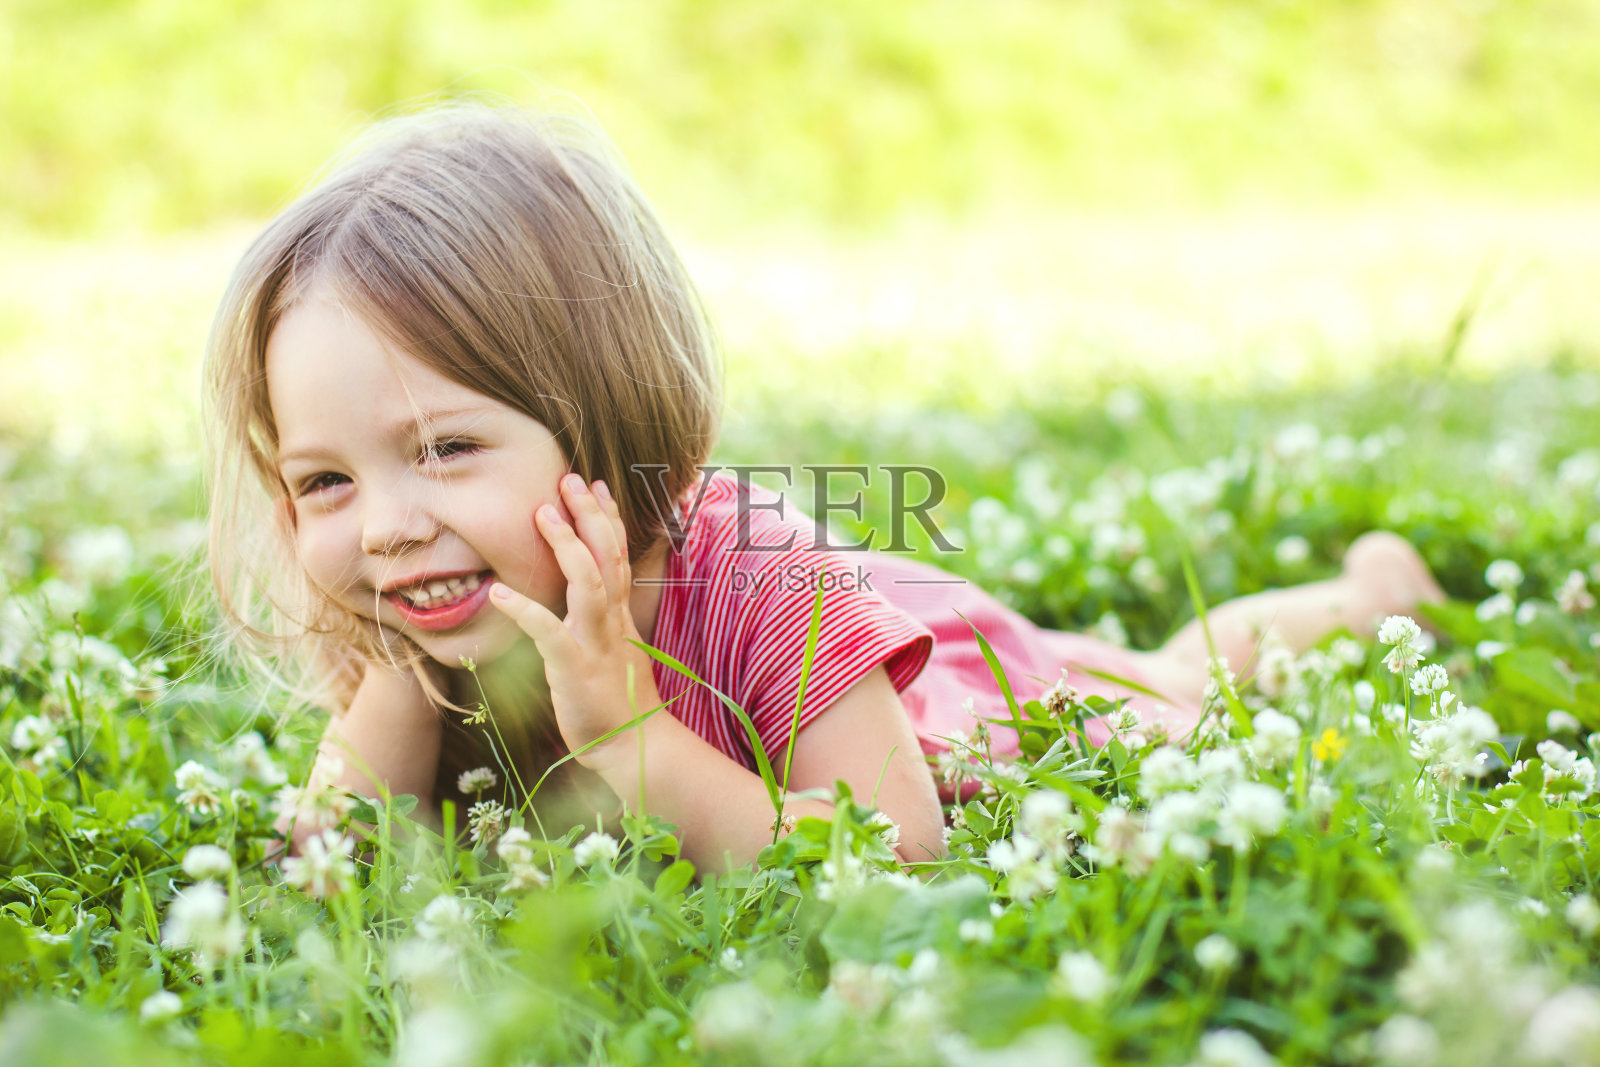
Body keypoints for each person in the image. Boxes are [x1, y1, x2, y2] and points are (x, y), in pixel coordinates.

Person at [203, 101, 1446, 876]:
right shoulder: (411, 614)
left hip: (941, 713)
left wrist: (635, 739)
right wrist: (380, 735)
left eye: (445, 449)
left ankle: (1360, 593)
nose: (386, 524)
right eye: (323, 480)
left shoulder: (761, 578)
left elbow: (895, 849)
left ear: (612, 413)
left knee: (1172, 684)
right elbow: (338, 869)